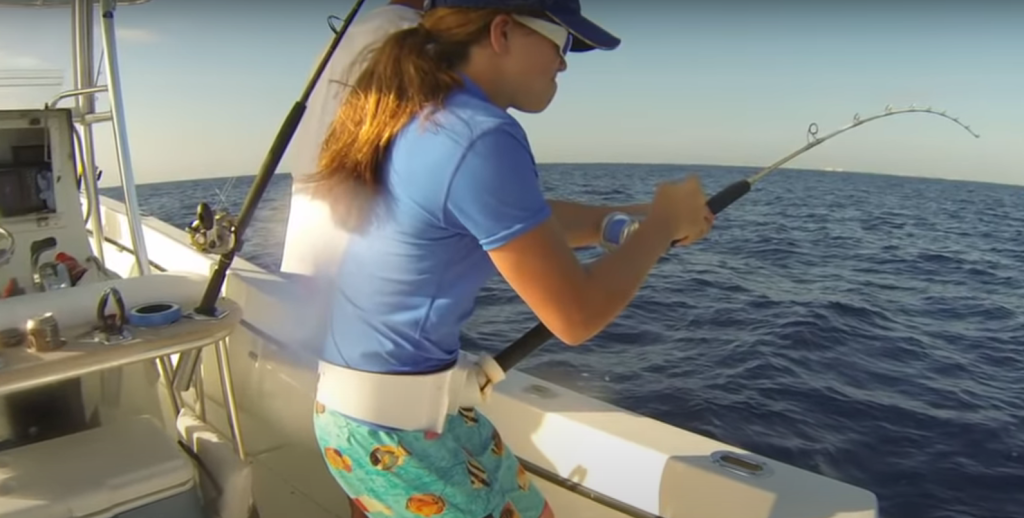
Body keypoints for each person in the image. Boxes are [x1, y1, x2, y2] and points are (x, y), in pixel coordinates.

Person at [305, 1, 715, 517]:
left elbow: (518, 218)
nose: (564, 63)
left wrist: (624, 221)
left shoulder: (421, 110)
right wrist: (657, 228)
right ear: (501, 31)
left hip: (360, 416)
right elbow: (575, 314)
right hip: (400, 433)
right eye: (561, 42)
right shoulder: (479, 134)